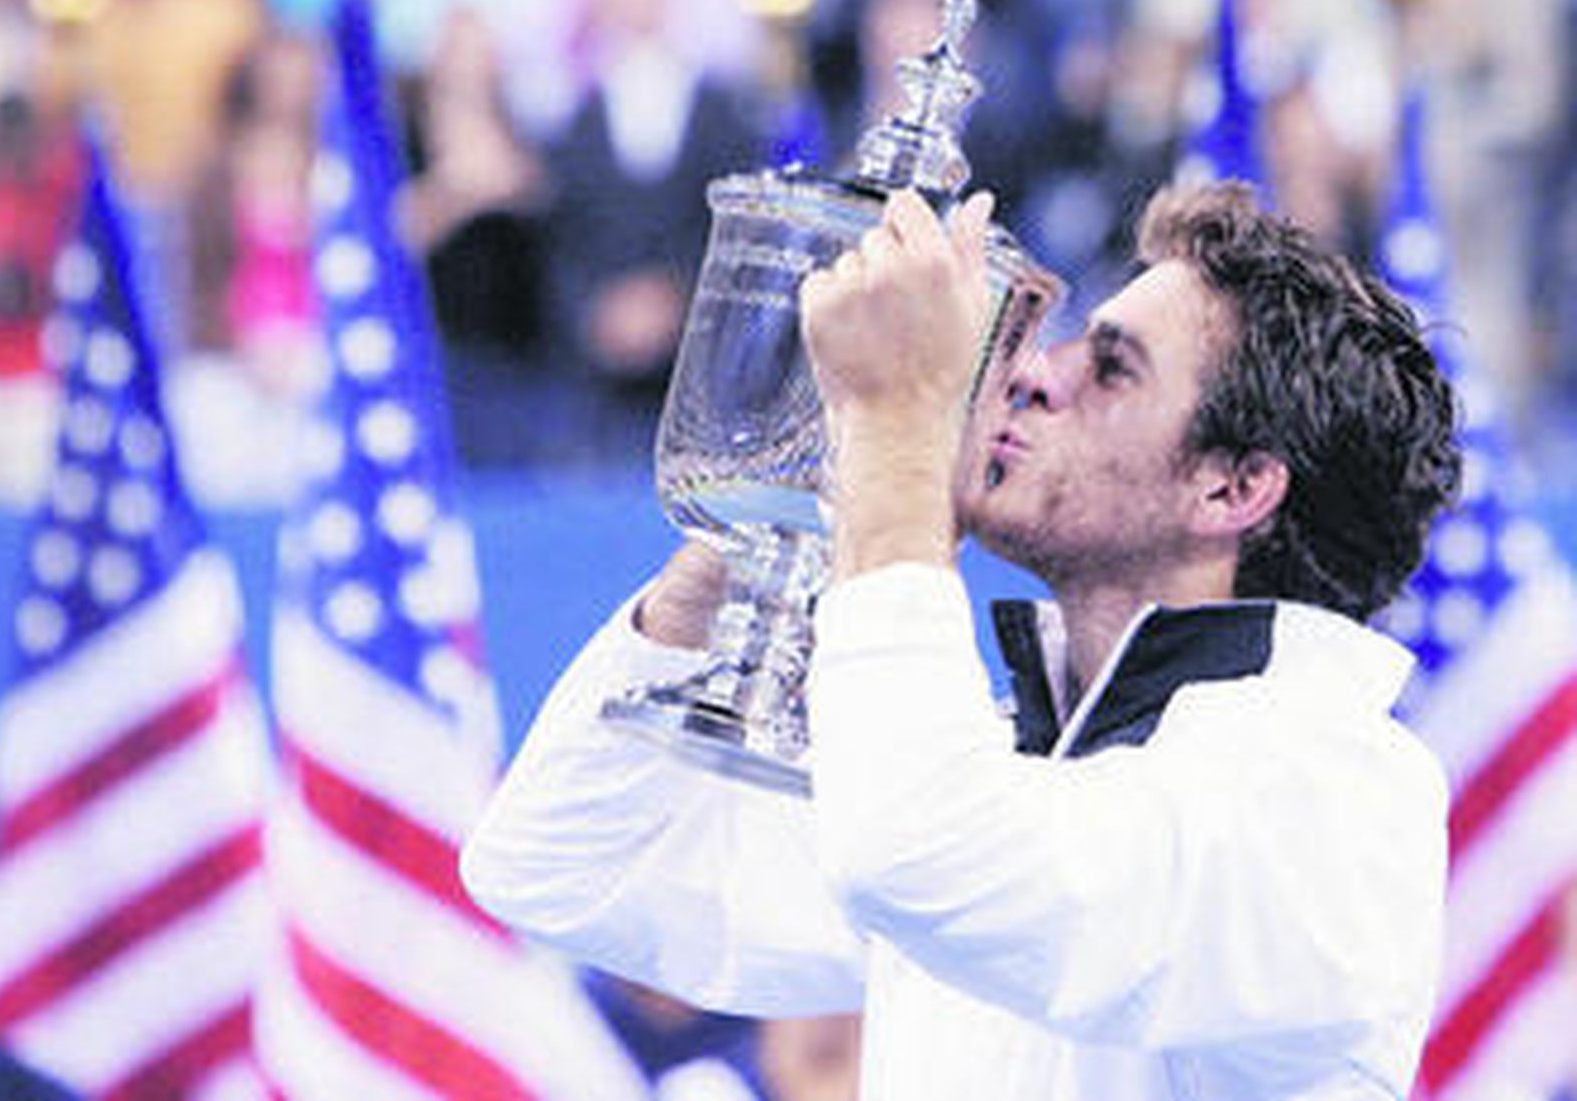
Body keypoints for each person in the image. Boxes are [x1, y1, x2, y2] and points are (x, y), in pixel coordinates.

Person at [462, 179, 1462, 1100]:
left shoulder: (1335, 792)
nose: (1035, 372)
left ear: (1232, 487)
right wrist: (721, 579)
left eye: (1112, 368)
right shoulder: (1012, 768)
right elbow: (555, 866)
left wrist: (897, 428)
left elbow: (917, 847)